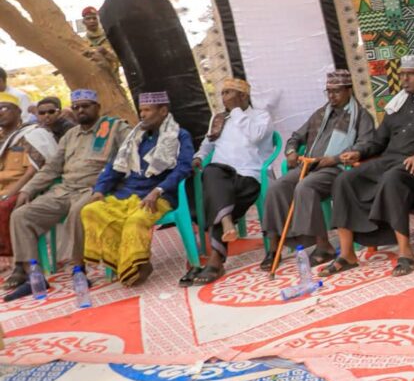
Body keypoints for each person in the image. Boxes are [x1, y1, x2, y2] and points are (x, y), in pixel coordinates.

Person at [319, 56, 414, 278]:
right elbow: (379, 140)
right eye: (402, 74)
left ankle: (406, 253)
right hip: (390, 159)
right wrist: (360, 152)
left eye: (410, 74)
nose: (404, 79)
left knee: (393, 178)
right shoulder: (398, 104)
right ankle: (347, 255)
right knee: (343, 180)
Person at [3, 90, 125, 299]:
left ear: (97, 107)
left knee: (79, 211)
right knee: (21, 215)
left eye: (85, 106)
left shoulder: (114, 127)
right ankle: (35, 277)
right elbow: (51, 168)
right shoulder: (70, 135)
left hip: (96, 189)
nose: (80, 111)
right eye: (76, 107)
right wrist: (28, 189)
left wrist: (106, 185)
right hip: (64, 189)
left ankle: (79, 270)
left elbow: (128, 155)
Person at [82, 90, 196, 287]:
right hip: (128, 194)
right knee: (90, 210)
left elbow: (184, 168)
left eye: (147, 110)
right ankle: (125, 263)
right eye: (141, 110)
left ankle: (139, 263)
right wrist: (100, 190)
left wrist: (158, 190)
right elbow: (113, 167)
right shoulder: (135, 137)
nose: (142, 114)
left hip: (161, 195)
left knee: (136, 221)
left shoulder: (179, 136)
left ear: (163, 111)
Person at [261, 69, 376, 264]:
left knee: (305, 186)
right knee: (277, 187)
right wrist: (291, 152)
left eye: (336, 91)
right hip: (310, 165)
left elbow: (366, 144)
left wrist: (336, 158)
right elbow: (296, 137)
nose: (331, 96)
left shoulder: (361, 116)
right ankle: (275, 246)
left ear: (349, 90)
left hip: (337, 169)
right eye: (328, 91)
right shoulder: (321, 114)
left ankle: (323, 245)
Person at [181, 77, 275, 284]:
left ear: (243, 96)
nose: (224, 98)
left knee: (215, 198)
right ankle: (224, 229)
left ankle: (216, 259)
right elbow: (207, 145)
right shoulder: (218, 120)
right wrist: (198, 157)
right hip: (219, 175)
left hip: (249, 175)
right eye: (222, 93)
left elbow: (255, 137)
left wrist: (237, 112)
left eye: (228, 93)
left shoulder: (261, 116)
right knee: (211, 172)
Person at [0, 91, 60, 258]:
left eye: (5, 108)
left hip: (24, 190)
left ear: (19, 112)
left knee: (3, 207)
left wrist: (9, 194)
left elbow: (33, 172)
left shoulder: (32, 134)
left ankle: (12, 258)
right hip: (2, 189)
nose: (0, 112)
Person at [81, 5, 120, 74]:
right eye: (88, 18)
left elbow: (120, 60)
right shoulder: (82, 42)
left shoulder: (110, 37)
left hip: (112, 78)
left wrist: (106, 53)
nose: (92, 21)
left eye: (94, 18)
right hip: (95, 80)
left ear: (98, 20)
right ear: (83, 22)